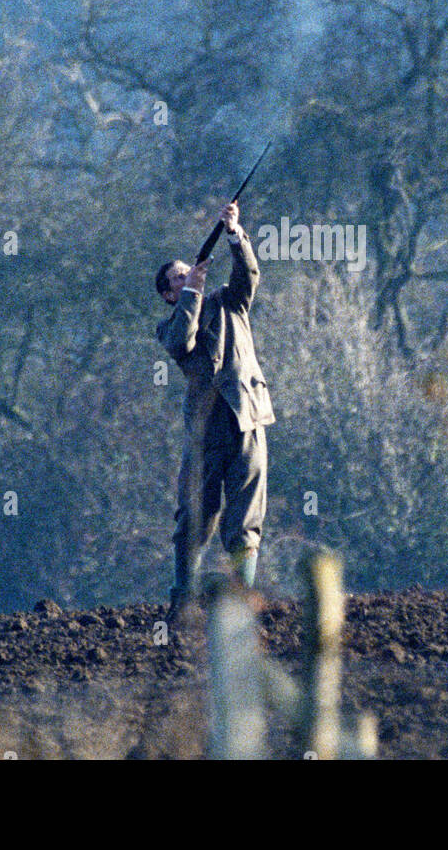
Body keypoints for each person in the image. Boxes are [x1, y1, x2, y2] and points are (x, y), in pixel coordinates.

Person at [155, 201, 274, 622]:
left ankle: (243, 599)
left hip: (248, 418)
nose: (186, 276)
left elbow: (250, 277)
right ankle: (183, 599)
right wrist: (193, 292)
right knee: (193, 518)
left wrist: (234, 234)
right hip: (206, 431)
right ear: (169, 294)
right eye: (177, 279)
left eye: (188, 270)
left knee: (246, 520)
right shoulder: (171, 324)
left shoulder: (229, 302)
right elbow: (180, 343)